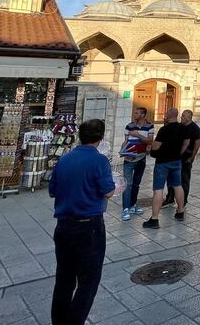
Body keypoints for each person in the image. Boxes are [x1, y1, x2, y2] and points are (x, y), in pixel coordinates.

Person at [49, 119, 115, 325]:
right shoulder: (99, 161)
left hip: (64, 225)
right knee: (88, 281)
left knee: (64, 279)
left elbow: (52, 191)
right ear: (101, 137)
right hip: (89, 227)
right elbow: (109, 191)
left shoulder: (64, 159)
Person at [144, 108, 188, 228]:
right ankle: (180, 212)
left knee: (158, 189)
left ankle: (154, 219)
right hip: (176, 161)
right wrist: (179, 153)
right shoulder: (183, 128)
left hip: (163, 162)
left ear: (168, 115)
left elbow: (156, 146)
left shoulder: (164, 130)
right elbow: (186, 143)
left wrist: (150, 146)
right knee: (178, 186)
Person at [121, 107, 154, 221]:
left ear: (143, 114)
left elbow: (150, 141)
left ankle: (132, 205)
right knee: (127, 184)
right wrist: (122, 150)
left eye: (137, 113)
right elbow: (126, 140)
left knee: (136, 184)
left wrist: (138, 135)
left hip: (141, 158)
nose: (134, 114)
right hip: (129, 159)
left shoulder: (149, 126)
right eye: (134, 112)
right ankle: (125, 208)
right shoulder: (129, 126)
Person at [163, 110, 200, 207]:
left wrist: (192, 157)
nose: (182, 118)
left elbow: (197, 143)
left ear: (189, 117)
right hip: (175, 157)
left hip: (186, 158)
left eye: (184, 116)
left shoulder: (195, 128)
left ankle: (183, 201)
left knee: (184, 180)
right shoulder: (180, 126)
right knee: (171, 178)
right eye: (182, 116)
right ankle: (170, 198)